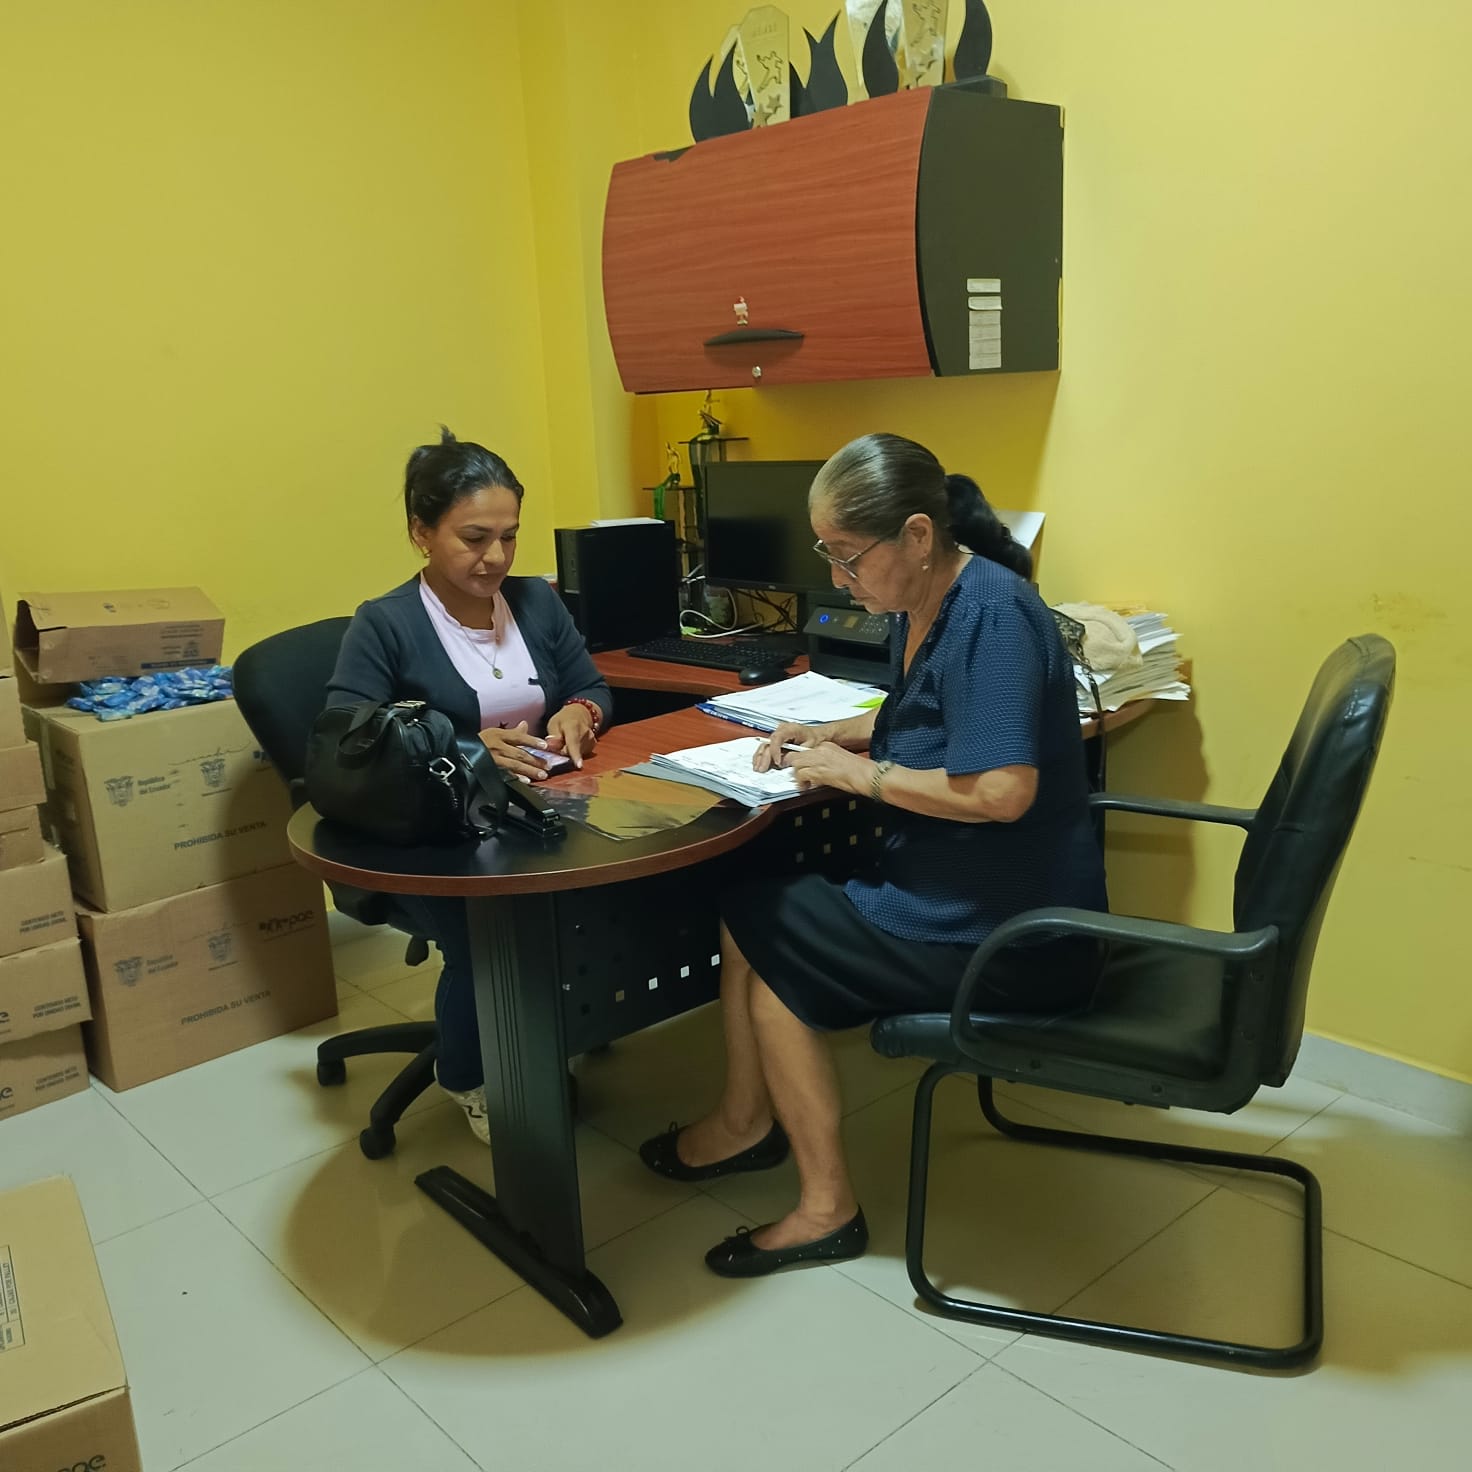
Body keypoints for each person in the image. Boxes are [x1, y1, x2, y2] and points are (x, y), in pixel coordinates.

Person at [639, 432, 1107, 1276]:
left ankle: (819, 1202)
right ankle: (748, 1124)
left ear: (918, 536)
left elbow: (1003, 792)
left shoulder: (992, 615)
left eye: (847, 555)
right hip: (959, 890)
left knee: (764, 928)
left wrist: (863, 777)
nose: (838, 576)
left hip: (1009, 933)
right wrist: (833, 732)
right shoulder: (932, 601)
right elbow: (926, 711)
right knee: (754, 901)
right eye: (827, 553)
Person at [326, 427, 611, 1141]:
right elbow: (349, 737)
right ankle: (467, 1074)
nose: (497, 558)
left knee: (617, 892)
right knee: (490, 938)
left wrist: (580, 712)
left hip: (539, 810)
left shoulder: (535, 602)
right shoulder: (385, 624)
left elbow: (592, 683)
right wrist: (465, 747)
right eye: (474, 538)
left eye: (509, 537)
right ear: (421, 532)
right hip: (436, 832)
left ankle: (565, 1023)